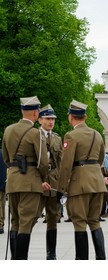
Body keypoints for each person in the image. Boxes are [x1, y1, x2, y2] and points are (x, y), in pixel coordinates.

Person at [2, 96, 50, 259]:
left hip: (13, 181)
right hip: (30, 182)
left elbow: (6, 158)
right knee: (26, 223)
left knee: (15, 222)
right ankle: (21, 264)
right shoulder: (35, 133)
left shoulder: (8, 130)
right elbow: (43, 162)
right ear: (36, 113)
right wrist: (43, 178)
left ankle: (15, 262)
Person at [58, 100, 107, 260]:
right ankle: (101, 258)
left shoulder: (71, 135)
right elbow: (100, 160)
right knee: (94, 222)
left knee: (79, 222)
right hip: (97, 182)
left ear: (71, 117)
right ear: (85, 116)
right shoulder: (97, 134)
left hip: (80, 183)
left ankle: (81, 261)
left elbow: (66, 165)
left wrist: (61, 189)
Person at [37, 104, 63, 259]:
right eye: (47, 118)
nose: (50, 121)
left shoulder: (57, 138)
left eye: (52, 119)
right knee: (31, 216)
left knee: (53, 217)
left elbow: (61, 162)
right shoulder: (33, 136)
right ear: (40, 119)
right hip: (37, 180)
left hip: (53, 181)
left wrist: (60, 183)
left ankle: (51, 253)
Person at [100, 152, 108, 219]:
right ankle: (103, 212)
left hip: (106, 176)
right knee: (104, 195)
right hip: (103, 176)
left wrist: (106, 176)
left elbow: (107, 167)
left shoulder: (105, 155)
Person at [0, 149, 7, 235]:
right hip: (4, 183)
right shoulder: (3, 152)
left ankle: (0, 225)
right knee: (2, 204)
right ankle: (1, 224)